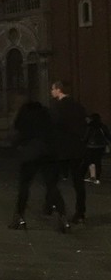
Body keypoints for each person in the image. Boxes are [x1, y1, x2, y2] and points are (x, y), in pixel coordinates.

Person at [9, 99, 67, 231]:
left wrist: (18, 145)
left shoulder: (24, 116)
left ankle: (20, 218)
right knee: (52, 186)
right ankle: (63, 217)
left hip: (31, 153)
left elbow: (18, 132)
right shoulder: (47, 116)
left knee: (24, 186)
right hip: (49, 153)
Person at [50, 80, 88, 223]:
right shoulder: (78, 106)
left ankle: (56, 207)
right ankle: (80, 211)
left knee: (52, 179)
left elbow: (53, 127)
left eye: (52, 89)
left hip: (61, 149)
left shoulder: (57, 107)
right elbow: (84, 125)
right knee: (78, 182)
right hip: (77, 148)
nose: (51, 92)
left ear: (59, 90)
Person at [84, 113, 110, 184]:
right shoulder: (102, 126)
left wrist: (83, 142)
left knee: (91, 162)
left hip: (90, 146)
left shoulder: (89, 126)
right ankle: (97, 178)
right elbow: (108, 135)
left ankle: (92, 176)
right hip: (101, 146)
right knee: (98, 161)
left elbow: (86, 136)